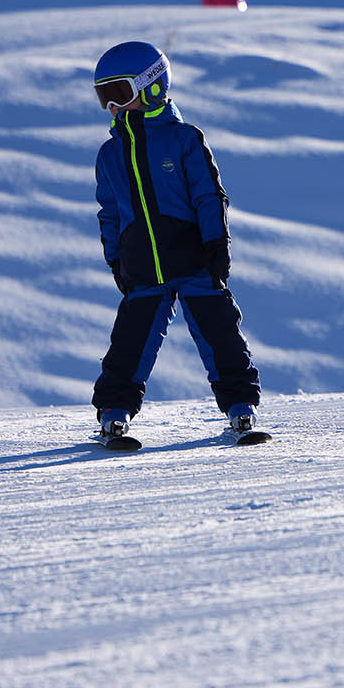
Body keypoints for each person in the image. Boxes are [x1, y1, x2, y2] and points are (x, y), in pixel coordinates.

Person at [89, 40, 261, 439]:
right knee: (129, 344)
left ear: (151, 86)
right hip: (143, 266)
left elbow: (208, 196)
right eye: (104, 98)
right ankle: (114, 411)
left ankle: (240, 405)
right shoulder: (110, 154)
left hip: (194, 259)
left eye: (119, 93)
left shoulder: (183, 140)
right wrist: (116, 258)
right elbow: (109, 212)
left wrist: (217, 246)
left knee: (220, 333)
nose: (112, 107)